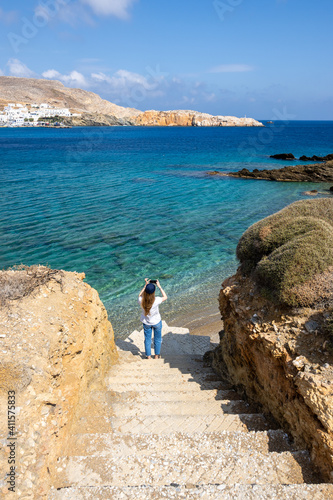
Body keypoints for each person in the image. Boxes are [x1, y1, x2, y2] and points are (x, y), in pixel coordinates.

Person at [138, 278, 167, 359]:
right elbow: (165, 297)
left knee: (147, 340)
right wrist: (159, 286)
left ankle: (148, 356)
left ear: (145, 291)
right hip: (157, 322)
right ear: (153, 292)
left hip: (146, 323)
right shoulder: (156, 300)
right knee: (157, 339)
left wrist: (145, 286)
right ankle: (156, 356)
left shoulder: (141, 300)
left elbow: (139, 295)